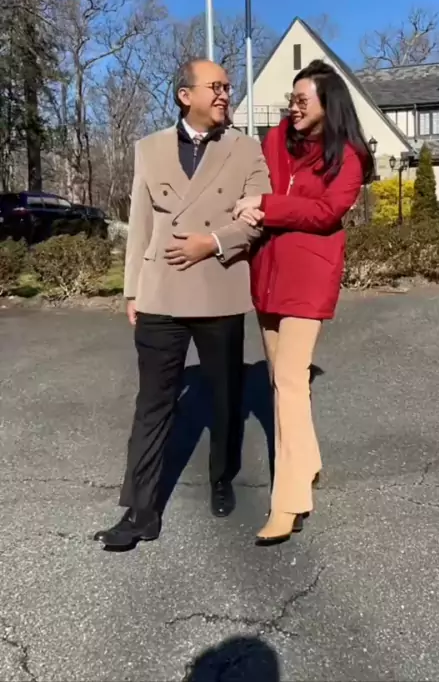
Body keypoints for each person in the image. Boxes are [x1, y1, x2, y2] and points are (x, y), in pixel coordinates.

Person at [94, 58, 271, 549]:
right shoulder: (148, 148)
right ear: (184, 95)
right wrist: (133, 289)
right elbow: (141, 224)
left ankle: (221, 476)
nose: (224, 94)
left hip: (219, 287)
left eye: (228, 87)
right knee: (152, 404)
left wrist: (211, 243)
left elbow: (258, 217)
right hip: (162, 292)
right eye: (215, 86)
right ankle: (140, 511)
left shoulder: (245, 148)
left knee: (225, 398)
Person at [234, 60, 375, 546]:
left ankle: (289, 502)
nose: (292, 108)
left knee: (290, 383)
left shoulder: (348, 157)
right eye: (290, 100)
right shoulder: (276, 140)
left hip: (309, 278)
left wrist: (267, 206)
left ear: (327, 105)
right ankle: (309, 463)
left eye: (301, 101)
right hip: (267, 274)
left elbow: (325, 212)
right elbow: (254, 178)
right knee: (283, 381)